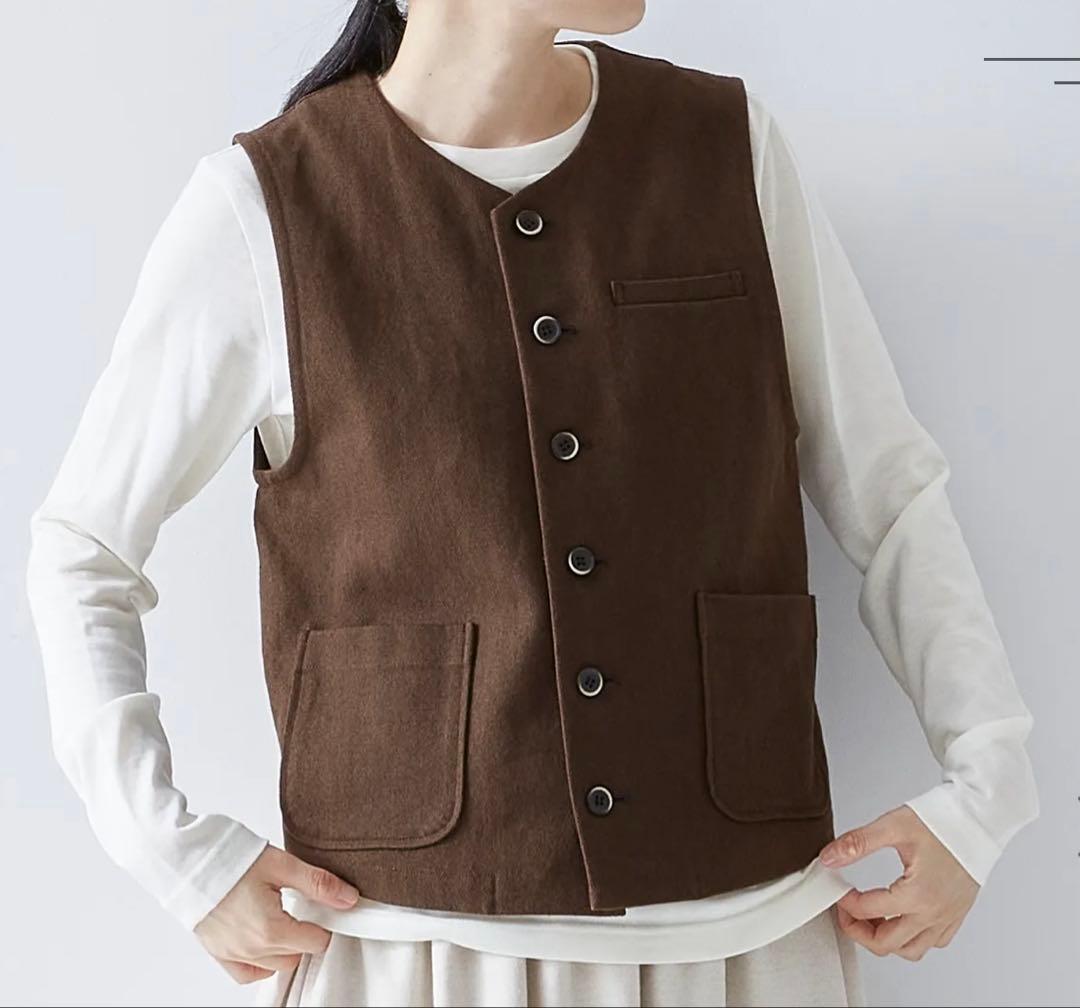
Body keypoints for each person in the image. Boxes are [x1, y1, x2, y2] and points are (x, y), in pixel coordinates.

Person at [26, 1, 1039, 1006]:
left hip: (747, 934)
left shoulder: (729, 148)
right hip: (412, 949)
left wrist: (988, 788)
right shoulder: (267, 203)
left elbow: (891, 490)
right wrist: (176, 855)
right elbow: (82, 548)